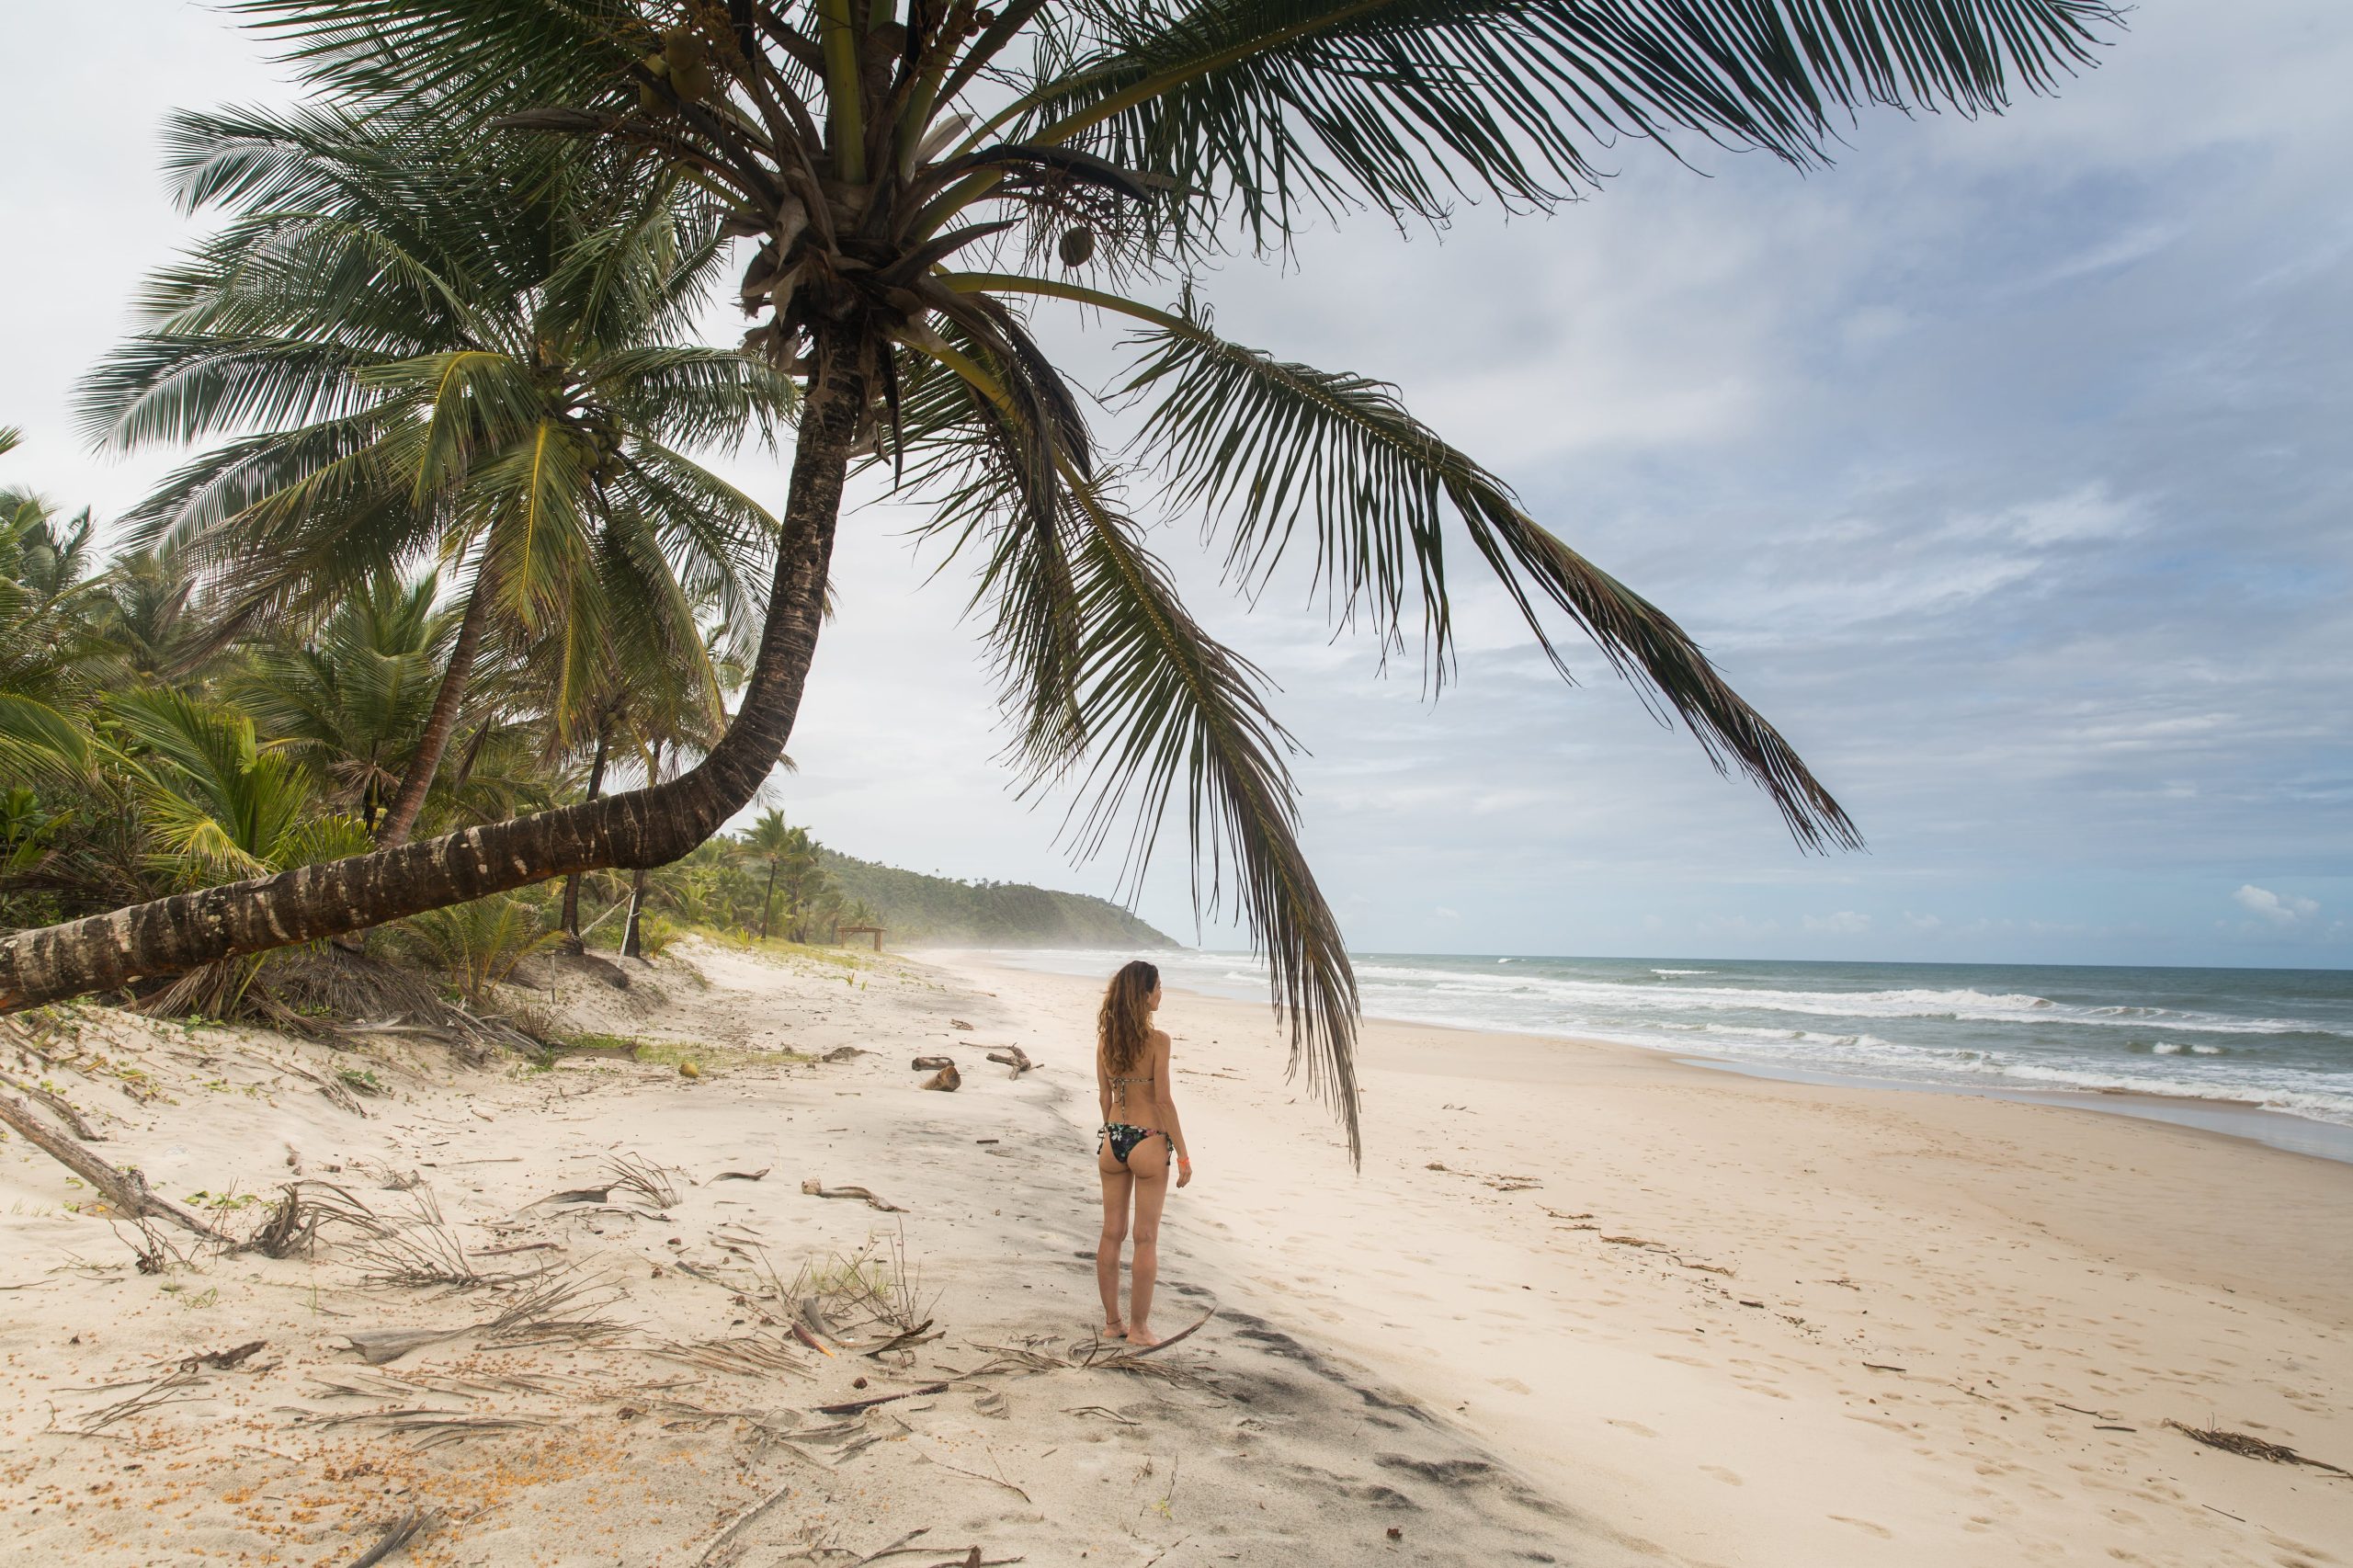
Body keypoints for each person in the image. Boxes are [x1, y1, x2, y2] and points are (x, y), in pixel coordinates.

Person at [1093, 959, 1191, 1346]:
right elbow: (1163, 1101)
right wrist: (1182, 1153)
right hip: (1149, 1140)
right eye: (1158, 988)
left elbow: (1104, 1095)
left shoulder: (1105, 1040)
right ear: (1145, 994)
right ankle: (1139, 1329)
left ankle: (1112, 1323)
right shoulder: (1158, 1041)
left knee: (1111, 1233)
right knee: (1145, 1237)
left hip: (1113, 1139)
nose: (1161, 994)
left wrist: (1113, 1131)